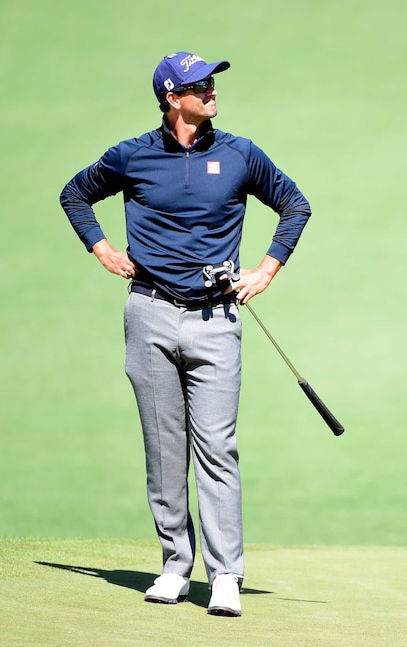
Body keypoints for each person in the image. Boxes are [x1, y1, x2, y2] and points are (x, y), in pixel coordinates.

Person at [59, 51, 311, 616]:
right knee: (164, 449)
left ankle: (225, 575)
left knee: (218, 448)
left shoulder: (240, 153)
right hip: (148, 314)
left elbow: (295, 205)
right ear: (173, 97)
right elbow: (74, 194)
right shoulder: (133, 155)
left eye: (213, 82)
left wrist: (266, 269)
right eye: (200, 84)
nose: (212, 90)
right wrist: (102, 249)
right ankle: (175, 564)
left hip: (216, 320)